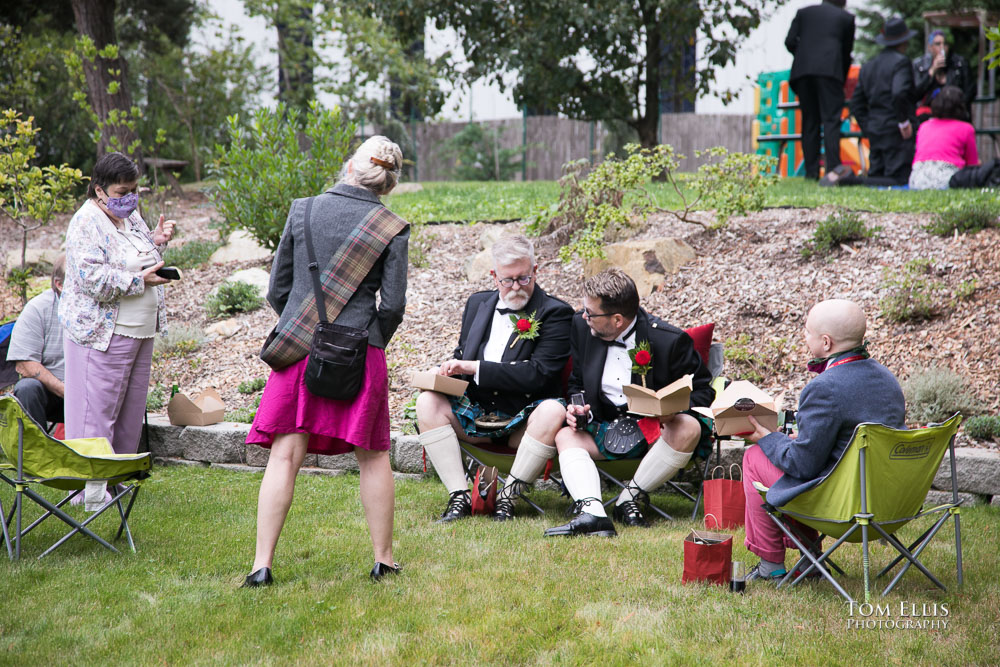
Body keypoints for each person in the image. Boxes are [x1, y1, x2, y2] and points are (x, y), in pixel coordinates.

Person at [243, 136, 409, 587]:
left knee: (285, 455)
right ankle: (383, 561)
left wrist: (307, 327)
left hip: (300, 348)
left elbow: (277, 290)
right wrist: (370, 339)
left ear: (350, 166)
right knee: (373, 456)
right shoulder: (392, 225)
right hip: (362, 350)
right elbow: (392, 306)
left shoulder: (304, 209)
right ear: (388, 182)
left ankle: (261, 566)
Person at [538, 269, 714, 537]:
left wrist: (670, 410)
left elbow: (703, 390)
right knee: (565, 435)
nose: (584, 316)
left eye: (591, 312)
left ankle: (628, 500)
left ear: (617, 319)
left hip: (655, 433)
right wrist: (577, 407)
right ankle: (593, 514)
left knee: (689, 427)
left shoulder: (669, 340)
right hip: (604, 425)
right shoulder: (583, 328)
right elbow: (576, 382)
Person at [739, 299, 905, 582]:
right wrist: (802, 439)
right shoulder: (887, 379)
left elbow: (801, 465)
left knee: (755, 457)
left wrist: (770, 438)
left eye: (806, 332)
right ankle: (809, 562)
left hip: (845, 506)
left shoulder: (824, 388)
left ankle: (771, 564)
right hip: (891, 504)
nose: (804, 337)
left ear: (826, 342)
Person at [416, 234, 573, 522]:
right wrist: (445, 374)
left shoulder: (556, 312)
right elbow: (463, 353)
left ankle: (507, 498)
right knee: (427, 402)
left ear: (535, 271)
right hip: (476, 417)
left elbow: (539, 375)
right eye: (508, 280)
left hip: (523, 422)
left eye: (524, 278)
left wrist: (475, 368)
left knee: (553, 410)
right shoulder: (477, 304)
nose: (516, 287)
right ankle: (459, 496)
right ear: (494, 276)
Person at [60, 152, 176, 454]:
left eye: (134, 190)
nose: (130, 198)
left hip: (139, 332)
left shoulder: (130, 217)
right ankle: (91, 491)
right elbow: (92, 279)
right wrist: (140, 282)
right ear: (100, 190)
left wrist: (155, 239)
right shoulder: (86, 221)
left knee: (129, 414)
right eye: (122, 192)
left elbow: (127, 254)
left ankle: (119, 481)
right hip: (101, 336)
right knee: (96, 416)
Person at [785, 0, 855, 180]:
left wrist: (805, 55)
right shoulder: (846, 18)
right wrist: (840, 76)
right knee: (831, 120)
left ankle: (811, 173)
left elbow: (789, 41)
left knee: (810, 122)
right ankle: (832, 171)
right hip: (829, 72)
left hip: (803, 73)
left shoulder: (803, 13)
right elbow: (846, 53)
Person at [846, 17, 919, 186]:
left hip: (875, 130)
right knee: (899, 179)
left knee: (877, 175)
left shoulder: (868, 66)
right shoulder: (901, 63)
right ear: (904, 41)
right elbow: (899, 93)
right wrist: (903, 122)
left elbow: (856, 103)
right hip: (896, 131)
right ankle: (853, 182)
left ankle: (854, 182)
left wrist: (868, 126)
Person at [6, 255, 66, 428]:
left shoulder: (101, 306)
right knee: (27, 388)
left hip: (93, 389)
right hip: (53, 392)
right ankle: (37, 452)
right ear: (59, 284)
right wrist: (64, 390)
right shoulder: (38, 309)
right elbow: (24, 364)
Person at [909, 85, 979, 190]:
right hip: (948, 179)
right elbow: (972, 164)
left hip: (917, 180)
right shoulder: (966, 128)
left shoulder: (924, 126)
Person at [913, 30, 976, 121]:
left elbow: (970, 90)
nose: (942, 48)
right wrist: (932, 70)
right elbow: (915, 94)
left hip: (954, 114)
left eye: (945, 44)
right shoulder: (920, 65)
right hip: (928, 115)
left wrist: (956, 108)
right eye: (938, 44)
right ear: (930, 47)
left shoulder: (959, 63)